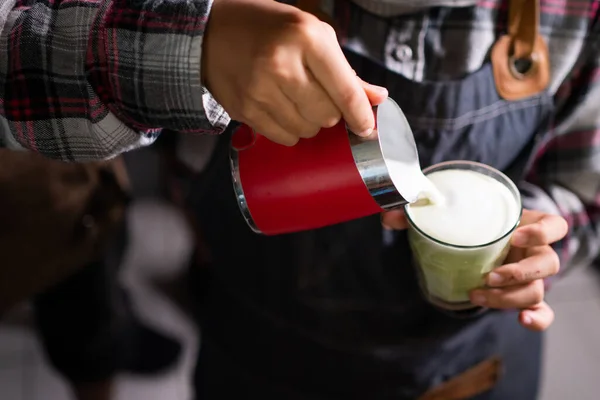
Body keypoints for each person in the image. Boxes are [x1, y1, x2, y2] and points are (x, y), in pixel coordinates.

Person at [0, 0, 596, 399]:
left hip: (465, 370)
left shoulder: (571, 14)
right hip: (260, 354)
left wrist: (537, 238)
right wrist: (191, 48)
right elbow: (20, 53)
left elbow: (584, 185)